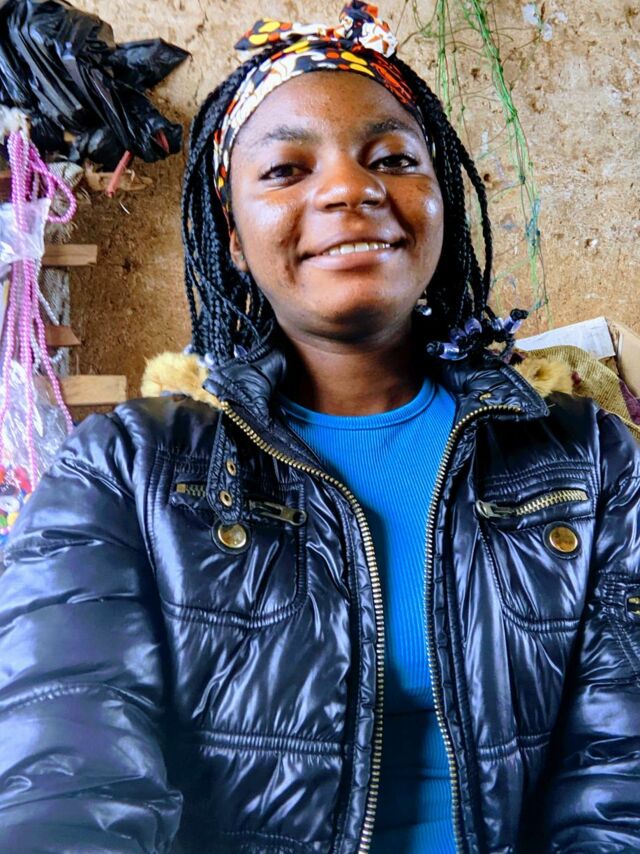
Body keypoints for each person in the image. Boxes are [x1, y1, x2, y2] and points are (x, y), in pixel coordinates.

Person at [0, 3, 639, 852]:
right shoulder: (125, 471)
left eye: (393, 159)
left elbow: (620, 785)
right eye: (286, 169)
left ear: (441, 201)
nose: (349, 189)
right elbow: (65, 781)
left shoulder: (587, 459)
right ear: (232, 236)